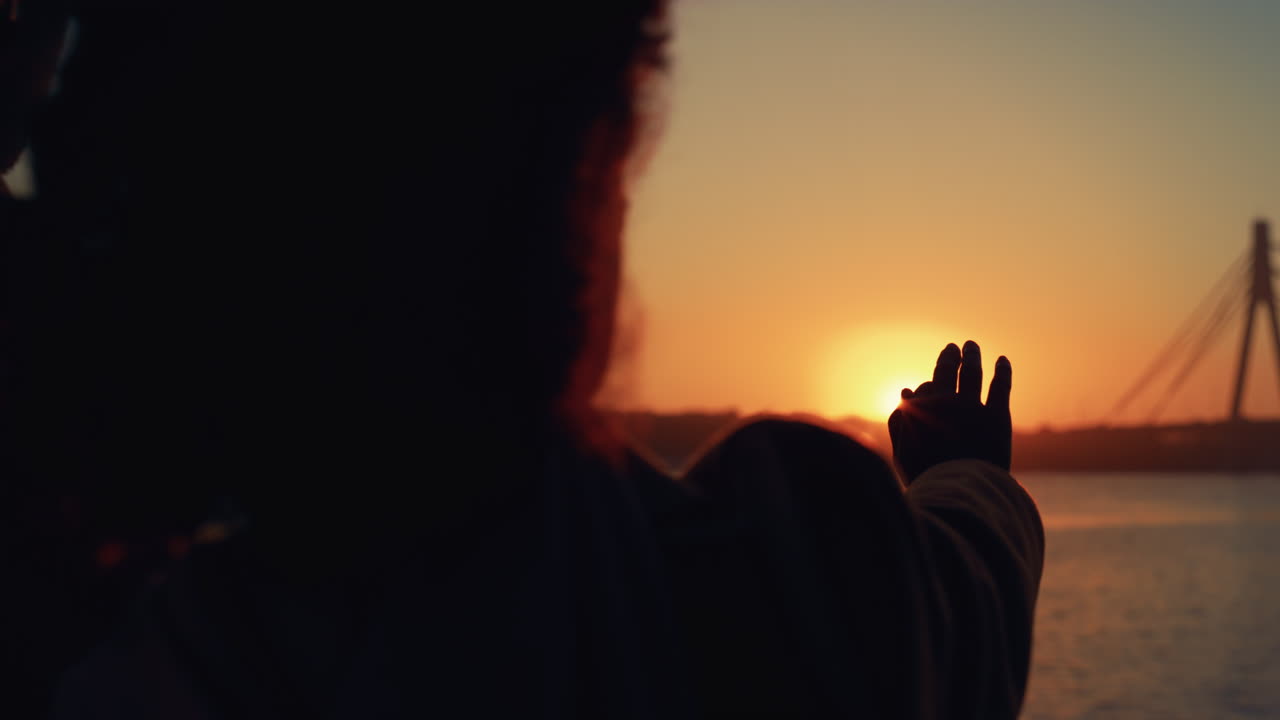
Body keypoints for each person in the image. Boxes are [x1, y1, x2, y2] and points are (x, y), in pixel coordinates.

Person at [10, 2, 1041, 718]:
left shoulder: (89, 629)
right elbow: (953, 609)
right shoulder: (775, 593)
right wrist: (967, 476)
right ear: (590, 190)